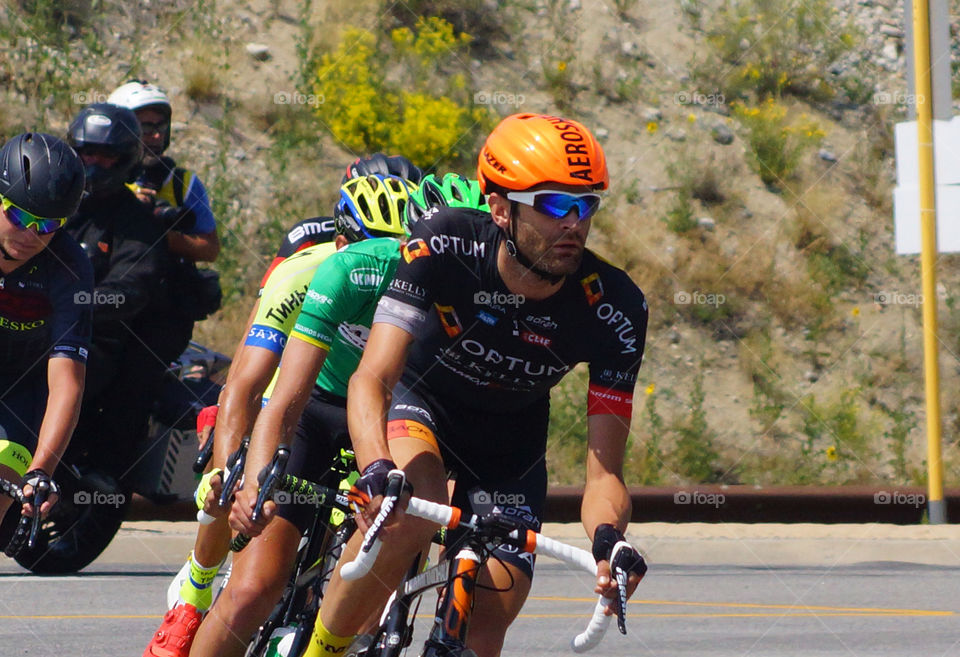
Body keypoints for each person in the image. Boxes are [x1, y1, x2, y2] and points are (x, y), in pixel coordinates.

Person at [312, 113, 649, 657]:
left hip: (507, 445)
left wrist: (610, 540)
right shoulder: (440, 246)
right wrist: (375, 469)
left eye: (586, 205)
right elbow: (372, 378)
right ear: (499, 208)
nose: (575, 225)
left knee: (495, 606)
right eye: (556, 204)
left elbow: (605, 472)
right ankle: (322, 649)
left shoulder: (615, 307)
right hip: (421, 401)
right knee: (406, 517)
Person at [143, 174, 417, 657]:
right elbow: (246, 386)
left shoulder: (425, 285)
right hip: (303, 404)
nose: (381, 264)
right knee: (251, 590)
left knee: (370, 598)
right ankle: (195, 593)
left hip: (380, 419)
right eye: (367, 247)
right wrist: (234, 476)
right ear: (339, 244)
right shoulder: (303, 274)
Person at [64, 102, 168, 484]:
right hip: (30, 321)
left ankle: (49, 468)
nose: (94, 163)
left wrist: (72, 304)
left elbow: (131, 287)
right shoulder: (53, 204)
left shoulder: (136, 222)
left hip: (92, 341)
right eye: (87, 152)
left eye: (106, 156)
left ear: (124, 159)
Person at [0, 133, 91, 549]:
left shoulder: (69, 267)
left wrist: (41, 469)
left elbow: (67, 382)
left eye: (48, 224)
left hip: (21, 395)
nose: (31, 234)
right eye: (19, 216)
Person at [108, 80, 220, 362]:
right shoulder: (97, 175)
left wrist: (159, 233)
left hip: (160, 314)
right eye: (146, 128)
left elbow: (209, 248)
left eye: (160, 127)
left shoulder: (182, 183)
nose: (155, 137)